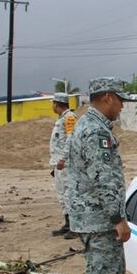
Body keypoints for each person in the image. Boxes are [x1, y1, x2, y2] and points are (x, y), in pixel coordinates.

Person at [66, 77, 137, 274]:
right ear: (108, 97)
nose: (121, 107)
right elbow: (105, 179)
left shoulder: (89, 126)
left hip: (93, 216)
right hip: (99, 218)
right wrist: (117, 218)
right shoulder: (96, 131)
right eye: (120, 100)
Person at [49, 93, 78, 239]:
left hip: (66, 164)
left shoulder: (69, 118)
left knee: (68, 194)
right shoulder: (61, 119)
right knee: (62, 195)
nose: (52, 106)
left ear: (57, 104)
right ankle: (67, 224)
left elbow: (71, 140)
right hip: (59, 164)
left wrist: (63, 159)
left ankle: (74, 226)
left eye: (53, 103)